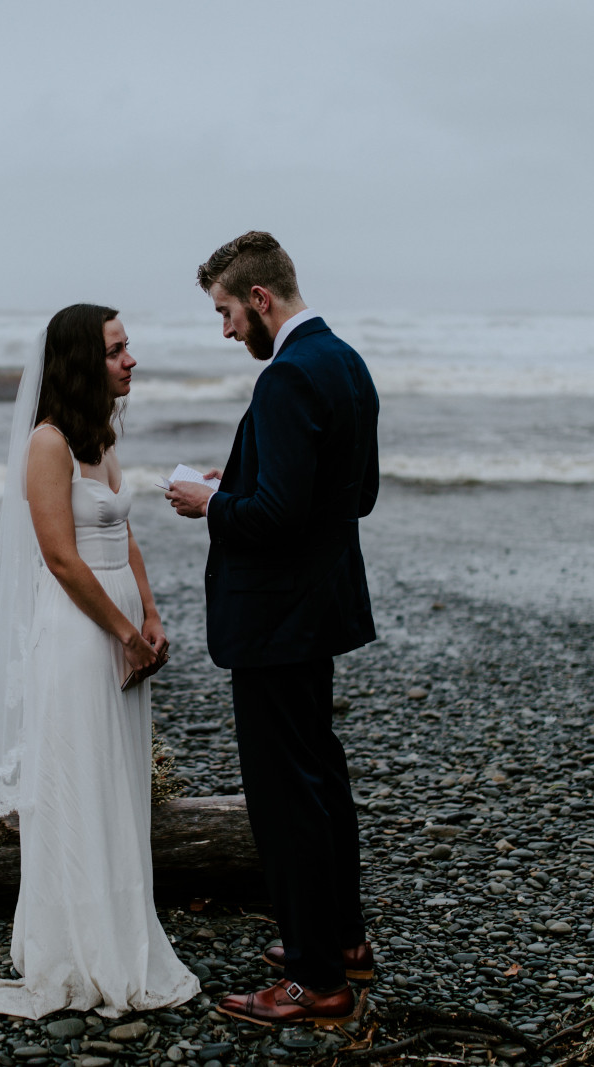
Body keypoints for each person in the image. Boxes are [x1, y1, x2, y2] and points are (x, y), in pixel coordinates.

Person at [165, 232, 380, 1028]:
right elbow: (353, 495)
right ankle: (343, 940)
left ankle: (316, 982)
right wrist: (245, 480)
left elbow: (278, 516)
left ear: (260, 300)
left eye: (226, 312)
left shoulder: (287, 377)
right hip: (319, 607)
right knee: (321, 776)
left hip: (275, 618)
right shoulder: (346, 362)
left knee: (285, 796)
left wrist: (211, 504)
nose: (225, 331)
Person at [0, 303, 200, 1019]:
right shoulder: (49, 443)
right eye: (117, 350)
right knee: (79, 779)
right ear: (79, 360)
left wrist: (151, 614)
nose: (131, 359)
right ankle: (78, 943)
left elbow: (122, 533)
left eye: (128, 347)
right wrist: (122, 633)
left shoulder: (102, 437)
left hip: (121, 625)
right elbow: (62, 558)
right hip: (76, 635)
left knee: (119, 782)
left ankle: (125, 927)